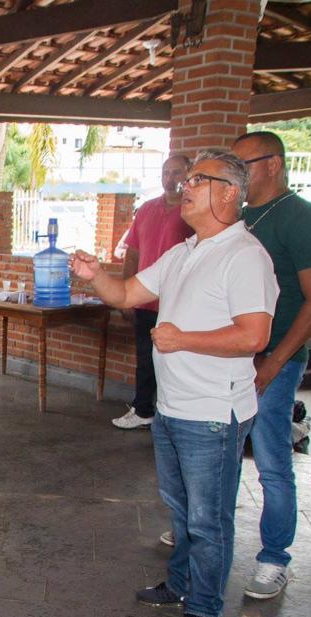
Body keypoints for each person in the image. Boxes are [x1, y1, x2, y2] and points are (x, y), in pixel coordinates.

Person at [70, 150, 278, 617]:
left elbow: (255, 334)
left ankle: (206, 611)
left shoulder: (244, 255)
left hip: (213, 413)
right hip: (174, 408)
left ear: (230, 191)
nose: (184, 186)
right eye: (186, 179)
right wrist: (96, 275)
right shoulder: (186, 251)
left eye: (198, 180)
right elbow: (126, 295)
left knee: (210, 519)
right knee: (182, 511)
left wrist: (183, 339)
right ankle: (182, 584)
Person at [230, 132, 311, 599]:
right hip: (230, 356)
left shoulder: (303, 218)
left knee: (271, 460)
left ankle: (275, 558)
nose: (237, 175)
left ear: (273, 164)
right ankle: (204, 532)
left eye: (243, 165)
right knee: (220, 453)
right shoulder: (235, 217)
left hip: (274, 357)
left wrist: (275, 361)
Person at [112, 154, 193, 430]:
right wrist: (125, 291)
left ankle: (173, 415)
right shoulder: (146, 209)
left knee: (175, 360)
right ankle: (143, 408)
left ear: (189, 175)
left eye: (177, 173)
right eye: (166, 173)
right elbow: (132, 253)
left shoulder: (191, 212)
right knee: (145, 358)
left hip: (178, 302)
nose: (170, 179)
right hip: (145, 299)